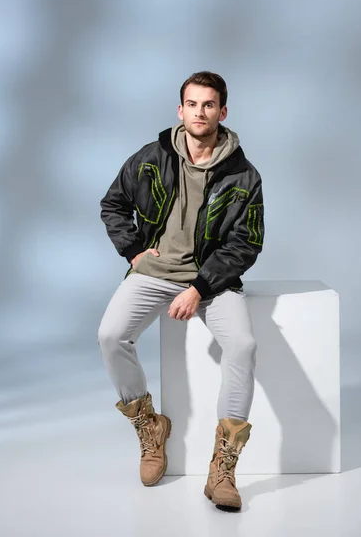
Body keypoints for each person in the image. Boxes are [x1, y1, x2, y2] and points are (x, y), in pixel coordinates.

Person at [98, 71, 265, 509]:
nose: (199, 112)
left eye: (209, 105)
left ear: (222, 112)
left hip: (212, 280)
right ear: (180, 110)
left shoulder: (243, 175)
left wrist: (199, 287)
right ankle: (149, 426)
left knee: (243, 346)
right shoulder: (152, 157)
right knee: (111, 337)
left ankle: (223, 470)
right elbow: (113, 203)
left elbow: (246, 242)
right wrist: (134, 251)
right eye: (192, 104)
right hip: (154, 274)